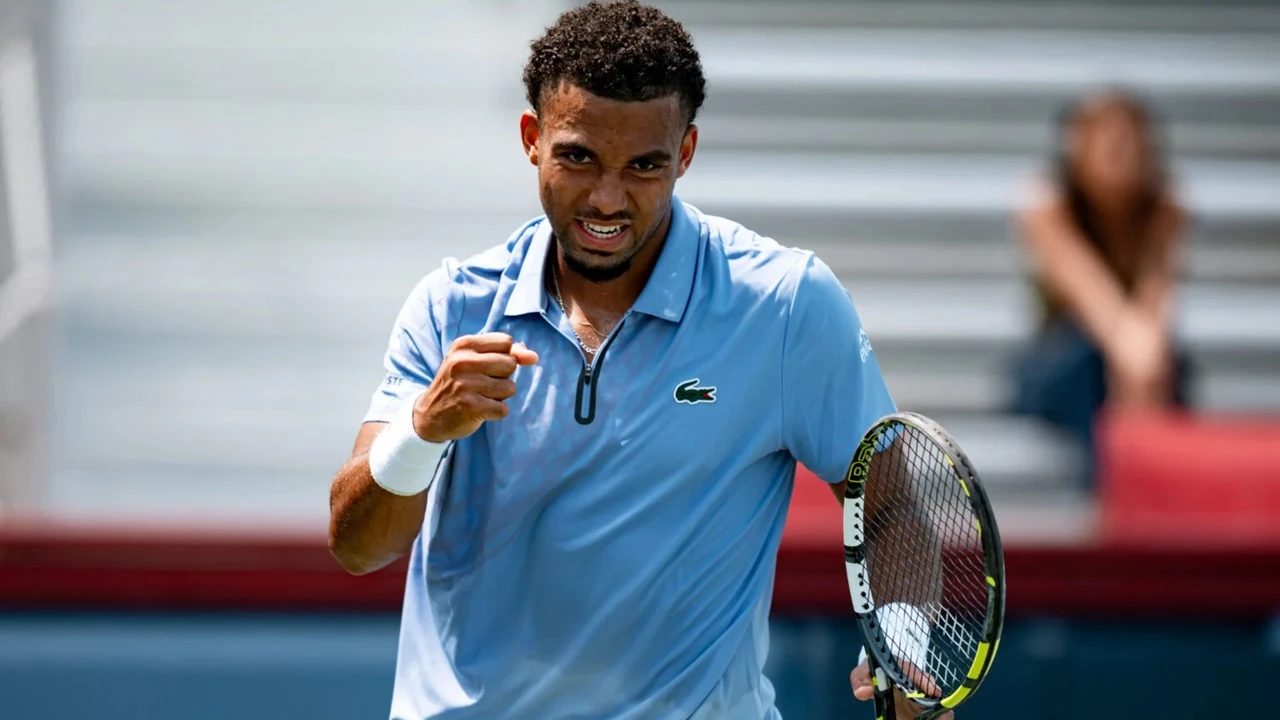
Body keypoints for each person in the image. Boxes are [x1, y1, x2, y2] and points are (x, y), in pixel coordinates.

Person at [328, 3, 937, 718]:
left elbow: (891, 505)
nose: (607, 200)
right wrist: (422, 431)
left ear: (686, 152)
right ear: (532, 140)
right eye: (579, 157)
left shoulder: (785, 304)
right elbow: (358, 546)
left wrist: (902, 644)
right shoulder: (449, 306)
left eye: (644, 166)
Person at [1011, 89, 1192, 486]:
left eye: (1128, 143)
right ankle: (1124, 489)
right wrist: (1137, 356)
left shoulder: (1163, 210)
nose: (1118, 155)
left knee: (1163, 365)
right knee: (1090, 360)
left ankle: (1141, 487)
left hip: (1139, 362)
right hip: (1061, 366)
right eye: (1106, 143)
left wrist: (1141, 360)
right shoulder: (1049, 206)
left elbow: (1155, 305)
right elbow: (1096, 301)